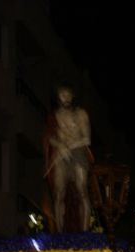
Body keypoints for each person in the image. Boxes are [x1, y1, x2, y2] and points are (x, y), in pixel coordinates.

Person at [42, 83, 93, 232]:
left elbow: (86, 139)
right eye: (62, 95)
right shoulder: (55, 116)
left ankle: (85, 232)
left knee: (82, 190)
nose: (65, 98)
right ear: (58, 98)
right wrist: (60, 145)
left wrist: (69, 146)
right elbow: (50, 137)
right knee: (59, 193)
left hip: (77, 153)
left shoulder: (81, 114)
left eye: (67, 94)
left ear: (72, 96)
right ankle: (59, 232)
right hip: (61, 155)